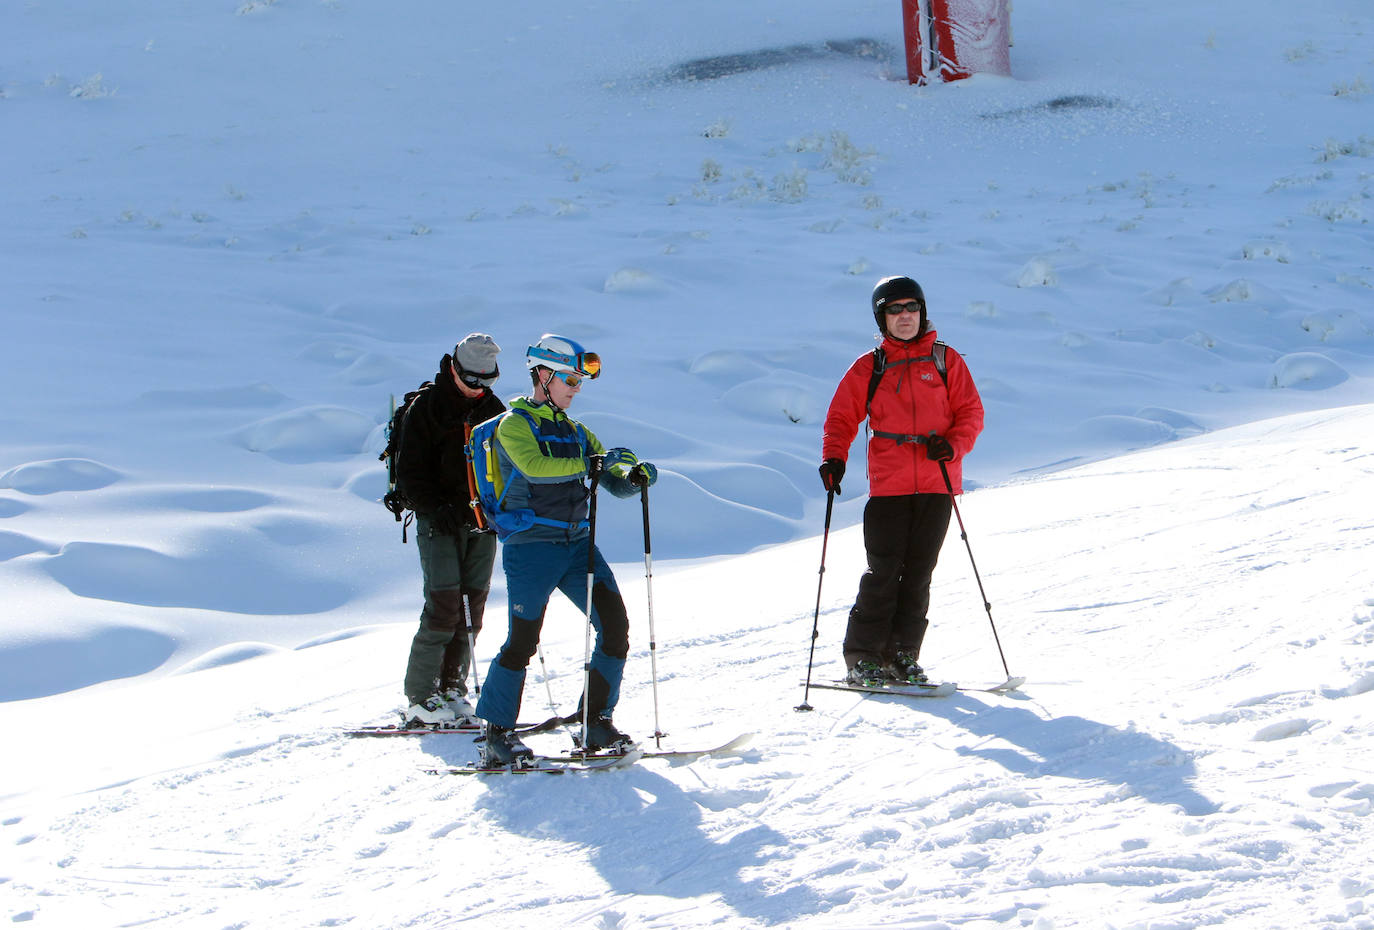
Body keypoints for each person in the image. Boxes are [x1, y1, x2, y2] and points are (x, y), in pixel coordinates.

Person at [474, 334, 658, 765]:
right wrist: (594, 463)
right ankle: (497, 734)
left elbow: (608, 481)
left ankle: (596, 721)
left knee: (614, 628)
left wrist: (632, 480)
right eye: (570, 380)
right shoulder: (513, 425)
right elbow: (535, 470)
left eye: (579, 381)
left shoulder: (577, 432)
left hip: (578, 544)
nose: (576, 388)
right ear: (543, 375)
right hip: (532, 546)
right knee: (523, 641)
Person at [820, 275, 985, 686]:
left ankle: (903, 656)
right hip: (889, 486)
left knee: (918, 574)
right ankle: (862, 657)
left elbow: (971, 413)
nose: (905, 316)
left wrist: (953, 445)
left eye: (911, 307)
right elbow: (841, 417)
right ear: (882, 318)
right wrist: (833, 459)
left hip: (937, 482)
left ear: (922, 311)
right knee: (882, 573)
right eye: (894, 309)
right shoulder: (870, 366)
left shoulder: (947, 360)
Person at [398, 334, 506, 727]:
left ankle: (452, 689)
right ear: (454, 370)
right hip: (438, 521)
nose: (479, 389)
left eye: (487, 381)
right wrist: (434, 507)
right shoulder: (427, 407)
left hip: (482, 522)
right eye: (473, 380)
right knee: (443, 605)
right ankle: (420, 696)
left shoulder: (496, 411)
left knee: (471, 608)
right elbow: (410, 472)